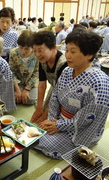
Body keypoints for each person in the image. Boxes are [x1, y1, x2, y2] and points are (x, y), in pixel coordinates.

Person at [34, 29, 109, 159]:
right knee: (35, 133)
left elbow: (87, 118)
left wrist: (59, 125)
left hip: (81, 129)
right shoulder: (68, 71)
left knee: (43, 142)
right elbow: (55, 96)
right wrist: (52, 120)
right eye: (67, 50)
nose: (67, 55)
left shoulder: (99, 82)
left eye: (73, 51)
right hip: (59, 120)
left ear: (89, 54)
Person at [30, 31, 67, 124]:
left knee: (51, 117)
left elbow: (60, 92)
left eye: (40, 50)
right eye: (35, 51)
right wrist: (39, 108)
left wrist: (46, 113)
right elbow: (42, 85)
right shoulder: (43, 60)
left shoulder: (63, 63)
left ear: (53, 48)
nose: (37, 54)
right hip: (55, 87)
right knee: (42, 110)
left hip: (67, 92)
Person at [9, 30, 39, 105]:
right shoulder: (13, 53)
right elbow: (11, 72)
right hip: (18, 82)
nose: (23, 51)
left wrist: (27, 89)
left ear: (32, 47)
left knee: (31, 100)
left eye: (26, 49)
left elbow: (37, 73)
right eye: (21, 48)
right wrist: (17, 89)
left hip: (31, 82)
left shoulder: (37, 55)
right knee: (12, 98)